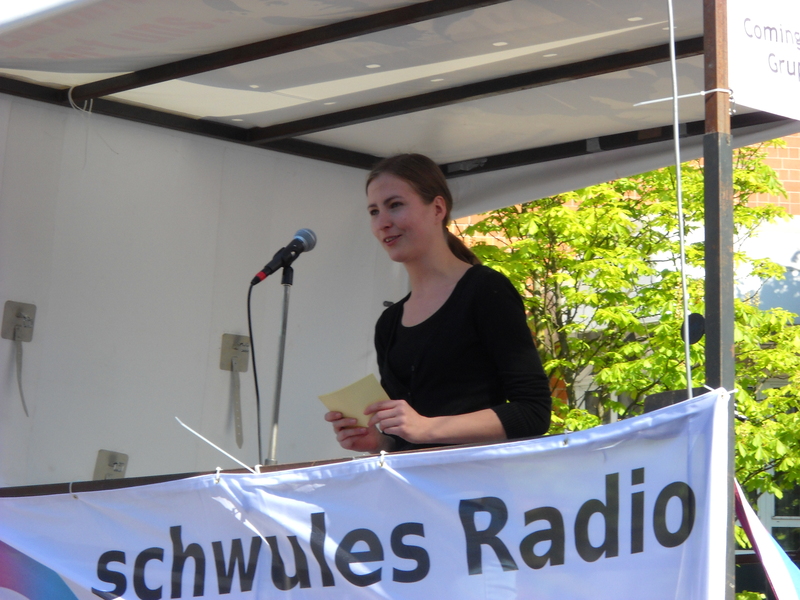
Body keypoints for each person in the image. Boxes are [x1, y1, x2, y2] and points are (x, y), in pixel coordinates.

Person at [325, 153, 551, 453]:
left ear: (437, 208)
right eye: (374, 211)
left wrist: (426, 428)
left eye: (395, 205)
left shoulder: (485, 291)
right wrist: (381, 441)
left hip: (476, 479)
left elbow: (533, 412)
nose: (383, 222)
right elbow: (407, 438)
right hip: (415, 482)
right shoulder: (389, 323)